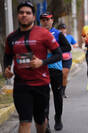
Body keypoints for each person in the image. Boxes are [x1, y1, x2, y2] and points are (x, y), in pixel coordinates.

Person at [3, 1, 62, 133]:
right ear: (18, 15)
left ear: (33, 17)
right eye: (21, 12)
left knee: (40, 122)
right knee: (24, 121)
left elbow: (58, 55)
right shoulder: (11, 37)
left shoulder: (43, 34)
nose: (24, 15)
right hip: (21, 85)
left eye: (28, 13)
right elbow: (7, 55)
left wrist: (42, 62)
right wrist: (6, 68)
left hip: (41, 84)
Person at [40, 12, 71, 131]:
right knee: (43, 96)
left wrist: (54, 50)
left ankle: (58, 118)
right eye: (43, 20)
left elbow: (67, 47)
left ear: (52, 20)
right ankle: (45, 121)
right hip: (41, 69)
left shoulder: (58, 34)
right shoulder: (37, 33)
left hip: (55, 69)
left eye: (47, 19)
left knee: (57, 96)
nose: (45, 22)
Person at [57, 23, 77, 98]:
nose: (62, 30)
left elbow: (75, 44)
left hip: (67, 59)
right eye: (60, 28)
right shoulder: (56, 37)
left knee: (64, 75)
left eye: (63, 28)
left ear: (65, 30)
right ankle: (58, 89)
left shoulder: (69, 37)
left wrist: (72, 46)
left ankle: (63, 91)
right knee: (59, 75)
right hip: (58, 58)